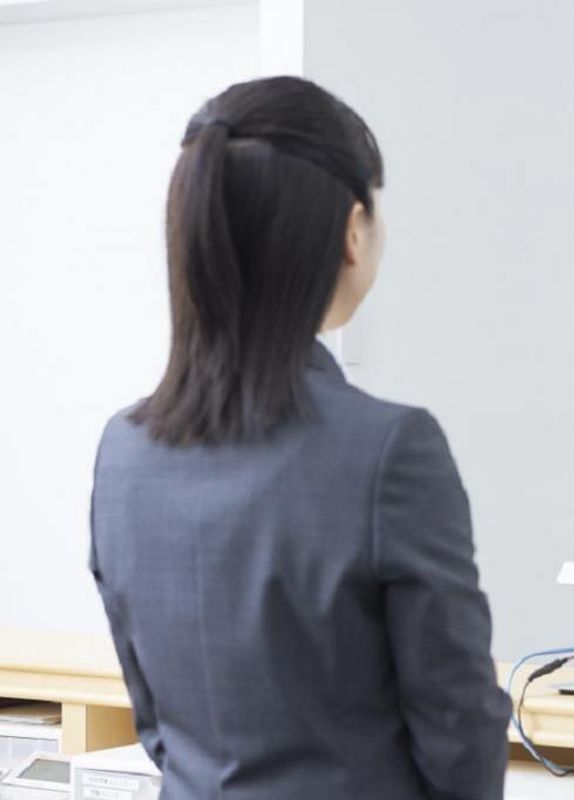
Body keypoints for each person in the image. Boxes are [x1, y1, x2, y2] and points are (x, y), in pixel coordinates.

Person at [89, 76, 510, 800]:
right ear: (352, 229)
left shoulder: (123, 452)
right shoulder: (390, 450)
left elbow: (156, 721)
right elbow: (458, 731)